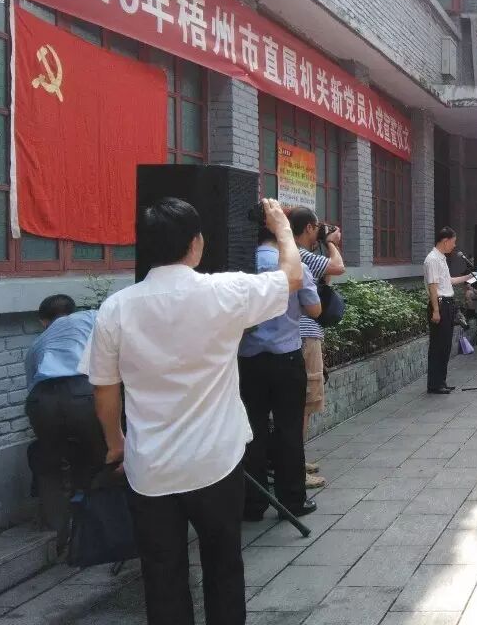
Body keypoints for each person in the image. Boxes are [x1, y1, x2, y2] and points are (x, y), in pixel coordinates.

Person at [84, 197, 299, 625]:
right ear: (196, 243)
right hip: (215, 461)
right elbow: (291, 277)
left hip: (150, 468)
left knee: (161, 575)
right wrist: (282, 227)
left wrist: (116, 445)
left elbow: (104, 391)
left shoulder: (116, 308)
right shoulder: (225, 291)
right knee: (223, 566)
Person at [239, 208, 322, 521]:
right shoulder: (294, 265)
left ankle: (253, 504)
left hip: (248, 360)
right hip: (286, 358)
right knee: (289, 429)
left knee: (252, 430)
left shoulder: (241, 263)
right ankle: (293, 500)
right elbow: (314, 309)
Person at [24, 294, 105, 551]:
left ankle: (57, 538)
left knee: (50, 464)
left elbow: (31, 388)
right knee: (101, 458)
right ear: (73, 310)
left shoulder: (37, 345)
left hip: (42, 401)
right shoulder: (92, 317)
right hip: (83, 393)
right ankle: (100, 532)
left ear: (43, 321)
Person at [288, 207, 345, 490]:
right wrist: (331, 243)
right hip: (305, 335)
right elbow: (337, 268)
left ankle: (297, 459)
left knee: (305, 404)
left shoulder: (297, 254)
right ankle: (294, 467)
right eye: (317, 228)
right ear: (309, 228)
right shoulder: (299, 253)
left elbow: (326, 281)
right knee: (305, 402)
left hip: (303, 335)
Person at [424, 227, 470, 394]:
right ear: (445, 241)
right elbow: (433, 287)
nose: (454, 245)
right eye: (453, 242)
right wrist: (436, 311)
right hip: (440, 305)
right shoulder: (432, 259)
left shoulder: (441, 258)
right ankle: (434, 384)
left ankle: (441, 381)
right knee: (438, 346)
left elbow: (447, 281)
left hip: (447, 304)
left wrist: (469, 277)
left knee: (445, 346)